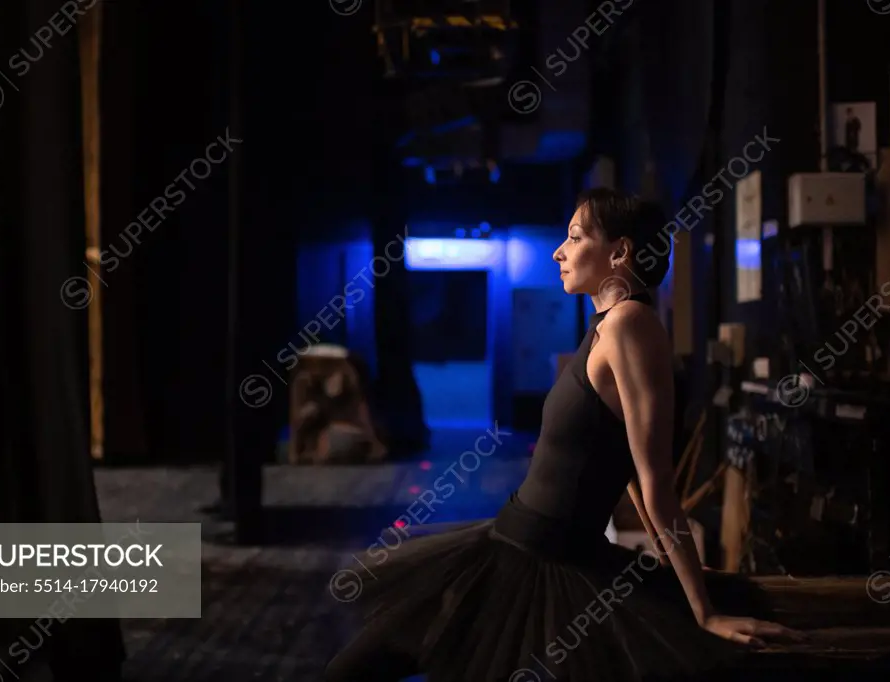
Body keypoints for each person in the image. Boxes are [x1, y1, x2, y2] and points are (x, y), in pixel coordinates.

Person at [325, 188, 802, 682]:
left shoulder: (630, 325)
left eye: (575, 237)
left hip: (544, 559)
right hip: (509, 543)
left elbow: (656, 480)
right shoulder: (604, 327)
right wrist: (672, 578)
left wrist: (702, 610)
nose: (559, 251)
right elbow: (626, 465)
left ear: (620, 252)